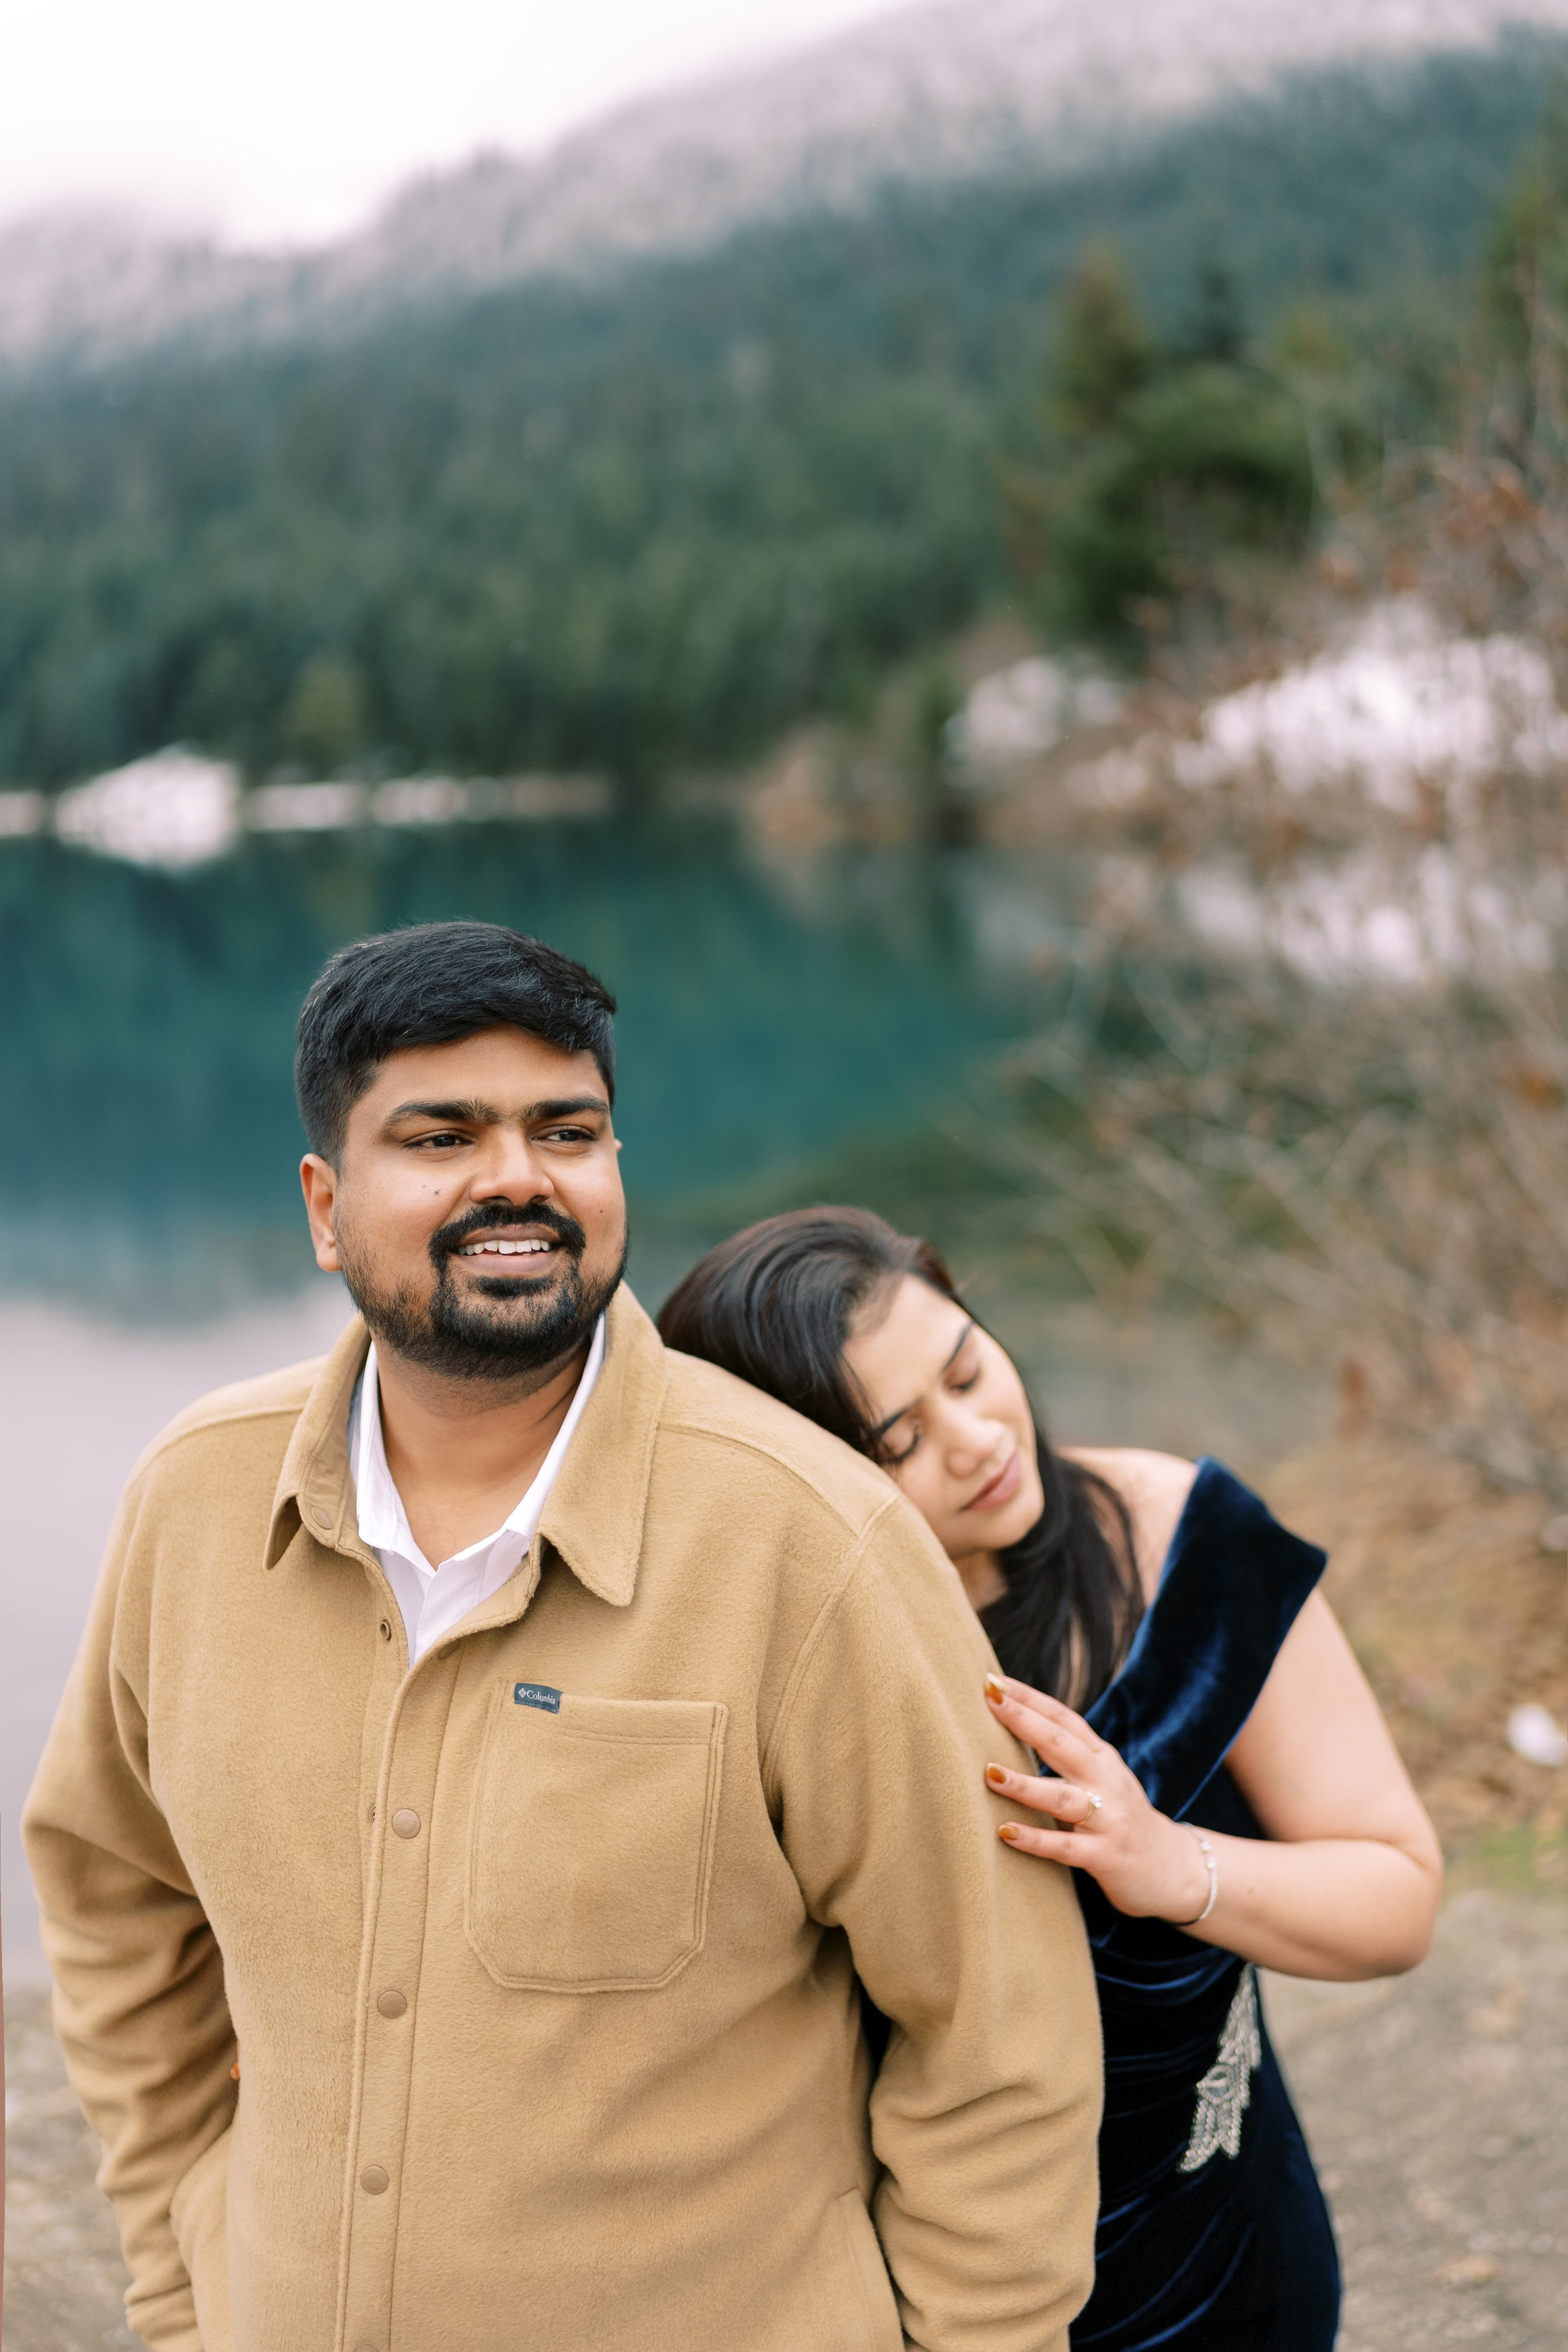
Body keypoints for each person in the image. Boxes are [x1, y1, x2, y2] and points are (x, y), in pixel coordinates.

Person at [24, 924, 1102, 2352]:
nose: (516, 1177)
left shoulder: (806, 1543)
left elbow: (996, 2039)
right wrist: (183, 2281)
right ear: (325, 1206)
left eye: (565, 1129)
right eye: (441, 1135)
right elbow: (114, 1897)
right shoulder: (193, 1503)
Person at [658, 1207, 1445, 2352]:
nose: (976, 1438)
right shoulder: (759, 1665)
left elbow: (1399, 1897)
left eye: (970, 1370)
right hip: (905, 2298)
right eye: (898, 1441)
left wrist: (1173, 1865)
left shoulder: (1179, 1546)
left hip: (1217, 2266)